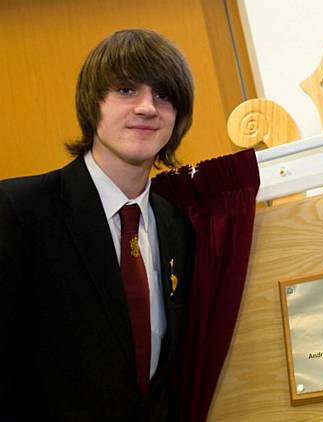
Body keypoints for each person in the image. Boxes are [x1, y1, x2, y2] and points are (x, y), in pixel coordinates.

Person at [0, 29, 194, 421]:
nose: (146, 108)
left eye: (163, 95)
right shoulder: (19, 211)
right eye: (126, 90)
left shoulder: (178, 225)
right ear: (93, 104)